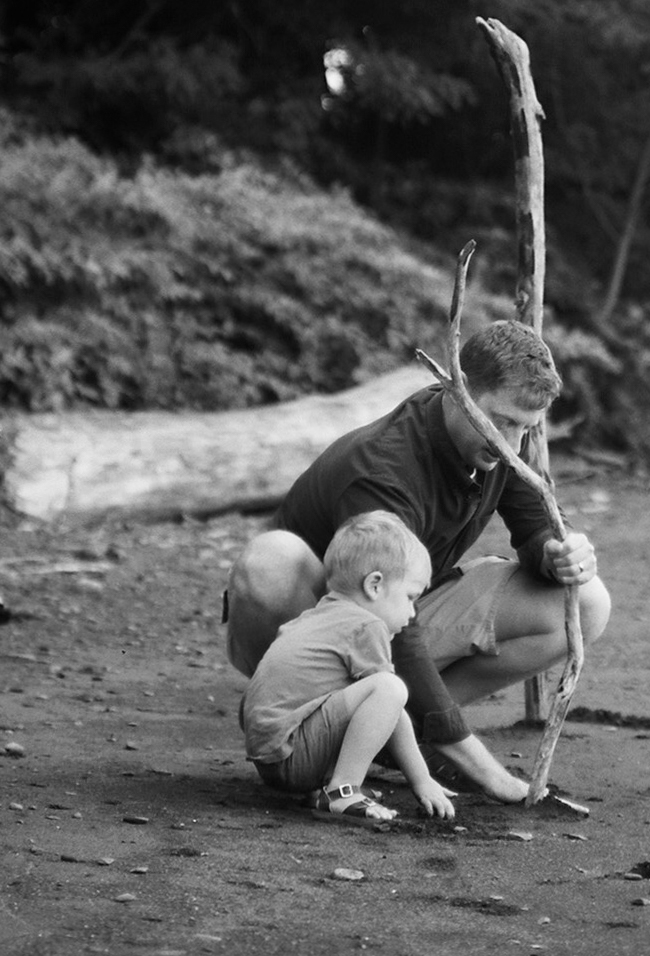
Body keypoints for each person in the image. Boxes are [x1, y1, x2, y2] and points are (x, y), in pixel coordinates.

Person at [223, 319, 611, 803]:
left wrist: (558, 555)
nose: (510, 444)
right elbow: (390, 624)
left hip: (397, 610)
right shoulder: (384, 467)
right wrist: (479, 764)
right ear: (459, 387)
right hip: (317, 631)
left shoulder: (504, 439)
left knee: (586, 602)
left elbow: (534, 528)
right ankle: (309, 727)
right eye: (502, 421)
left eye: (525, 428)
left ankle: (391, 732)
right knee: (271, 558)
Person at [238, 509, 456, 825]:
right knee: (389, 688)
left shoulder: (314, 618)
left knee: (360, 693)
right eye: (410, 597)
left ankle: (326, 786)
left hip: (271, 757)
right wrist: (422, 781)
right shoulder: (365, 625)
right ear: (375, 585)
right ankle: (342, 791)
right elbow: (390, 709)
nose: (412, 613)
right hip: (292, 753)